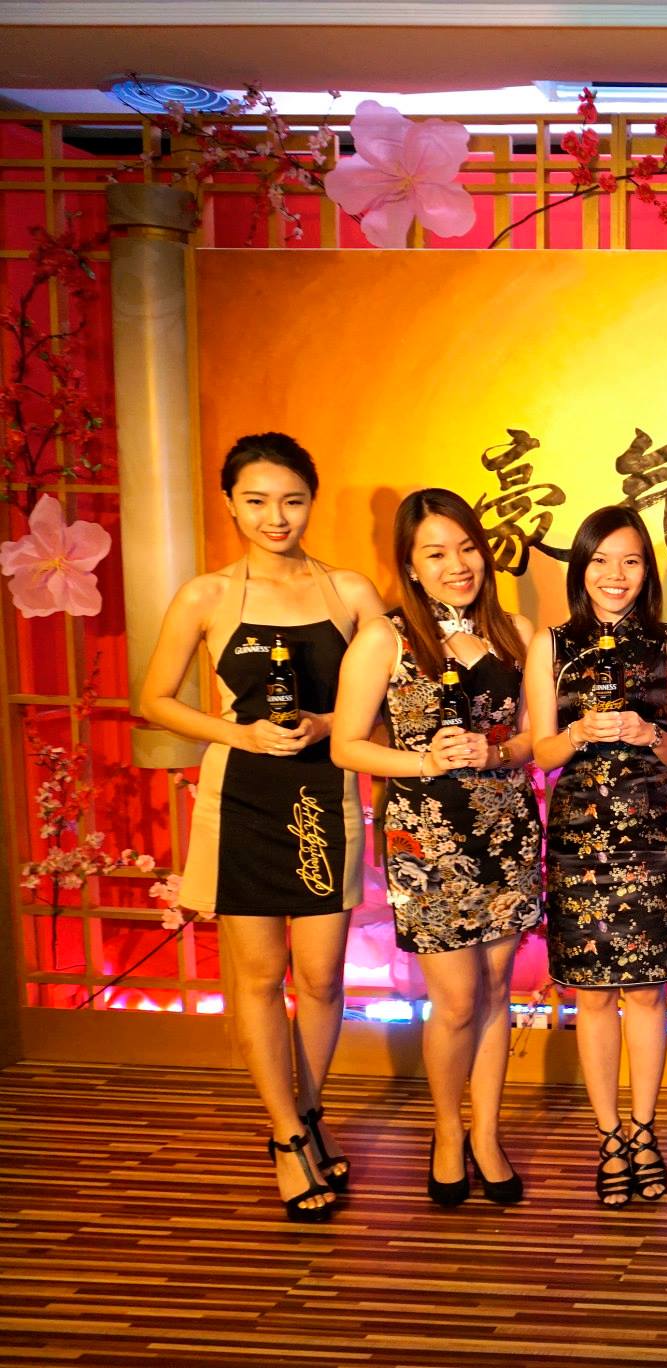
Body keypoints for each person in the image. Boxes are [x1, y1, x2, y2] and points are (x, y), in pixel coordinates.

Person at [136, 433, 382, 1223]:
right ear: (230, 504)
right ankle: (284, 1135)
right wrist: (237, 733)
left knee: (323, 976)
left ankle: (308, 1113)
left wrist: (327, 723)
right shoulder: (206, 595)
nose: (276, 517)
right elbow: (154, 699)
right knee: (256, 976)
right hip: (242, 796)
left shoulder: (349, 592)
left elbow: (387, 690)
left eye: (292, 501)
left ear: (312, 501)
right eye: (257, 501)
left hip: (323, 793)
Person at [331, 489, 543, 1207]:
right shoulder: (384, 639)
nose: (457, 565)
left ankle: (487, 1134)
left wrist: (498, 752)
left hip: (507, 830)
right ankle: (447, 1131)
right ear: (410, 566)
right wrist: (423, 761)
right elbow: (346, 744)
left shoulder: (515, 632)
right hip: (425, 839)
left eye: (466, 548)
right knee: (454, 999)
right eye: (436, 553)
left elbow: (534, 739)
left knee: (497, 988)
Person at [524, 505, 667, 1207]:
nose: (615, 575)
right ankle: (609, 1136)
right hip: (578, 841)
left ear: (646, 571)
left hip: (653, 837)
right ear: (581, 569)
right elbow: (541, 752)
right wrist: (577, 733)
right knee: (593, 994)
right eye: (600, 561)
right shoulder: (552, 645)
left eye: (630, 561)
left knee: (648, 990)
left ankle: (645, 1130)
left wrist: (645, 731)